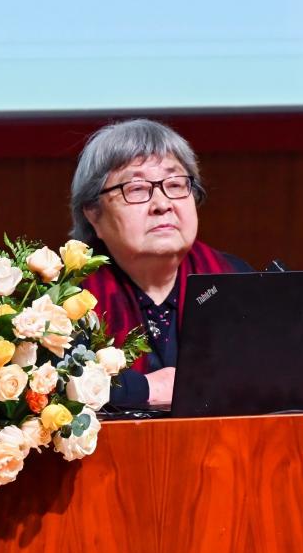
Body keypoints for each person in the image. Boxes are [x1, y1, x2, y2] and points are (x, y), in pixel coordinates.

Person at [71, 119, 252, 408]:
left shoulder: (236, 280)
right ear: (94, 214)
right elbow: (52, 383)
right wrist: (144, 389)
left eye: (175, 184)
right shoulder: (66, 299)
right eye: (137, 189)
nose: (162, 204)